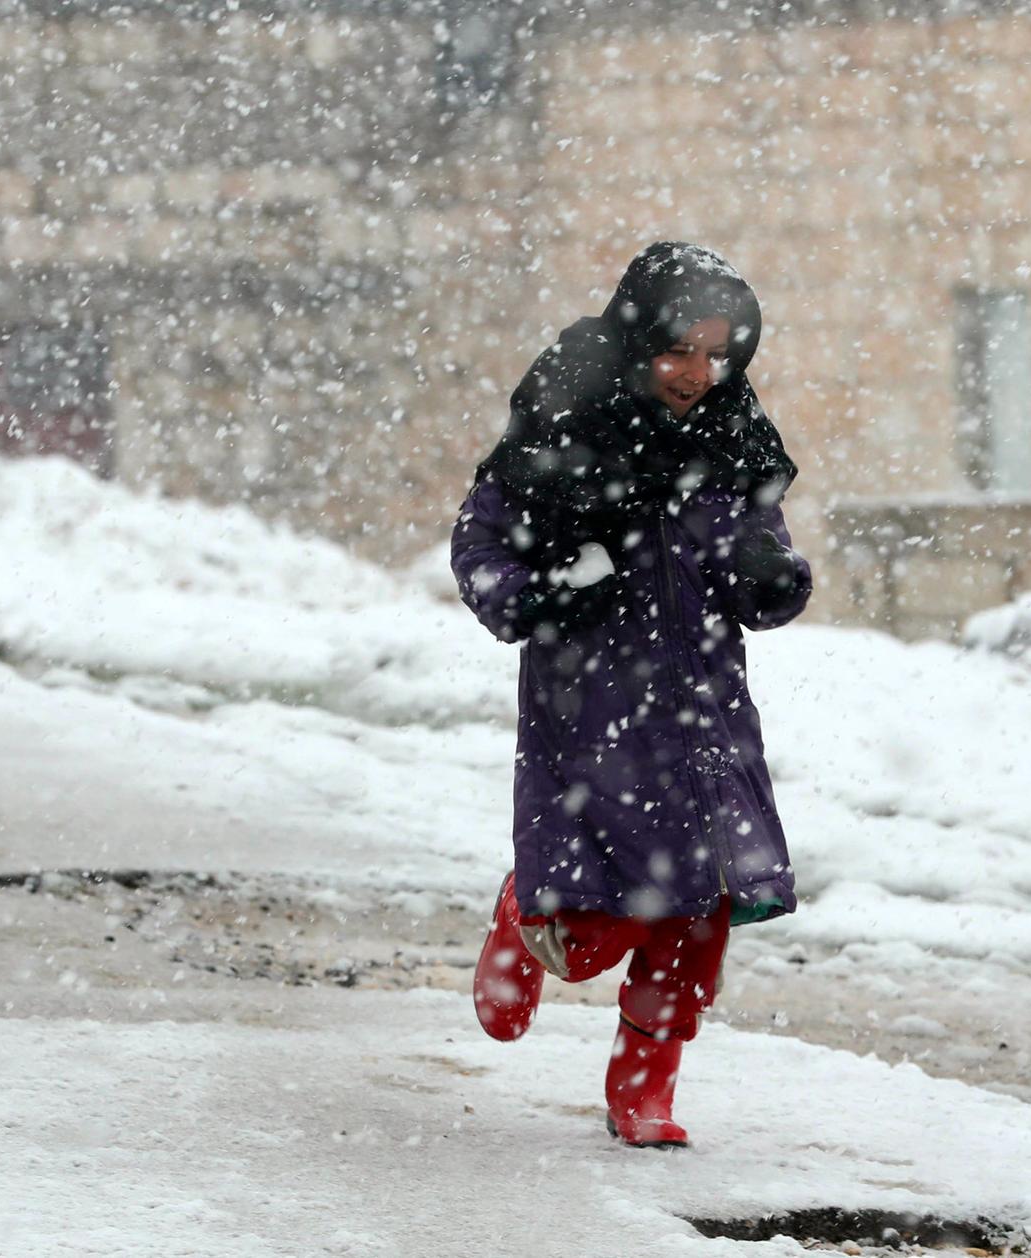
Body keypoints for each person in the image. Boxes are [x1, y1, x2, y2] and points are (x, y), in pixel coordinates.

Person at [448, 241, 813, 1149]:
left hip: (704, 714)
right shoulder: (562, 426)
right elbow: (480, 549)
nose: (698, 372)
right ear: (637, 337)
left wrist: (772, 576)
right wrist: (549, 596)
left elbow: (763, 554)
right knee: (597, 923)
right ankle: (526, 911)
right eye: (678, 349)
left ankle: (645, 1091)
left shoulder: (734, 438)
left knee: (696, 918)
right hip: (592, 715)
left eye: (718, 353)